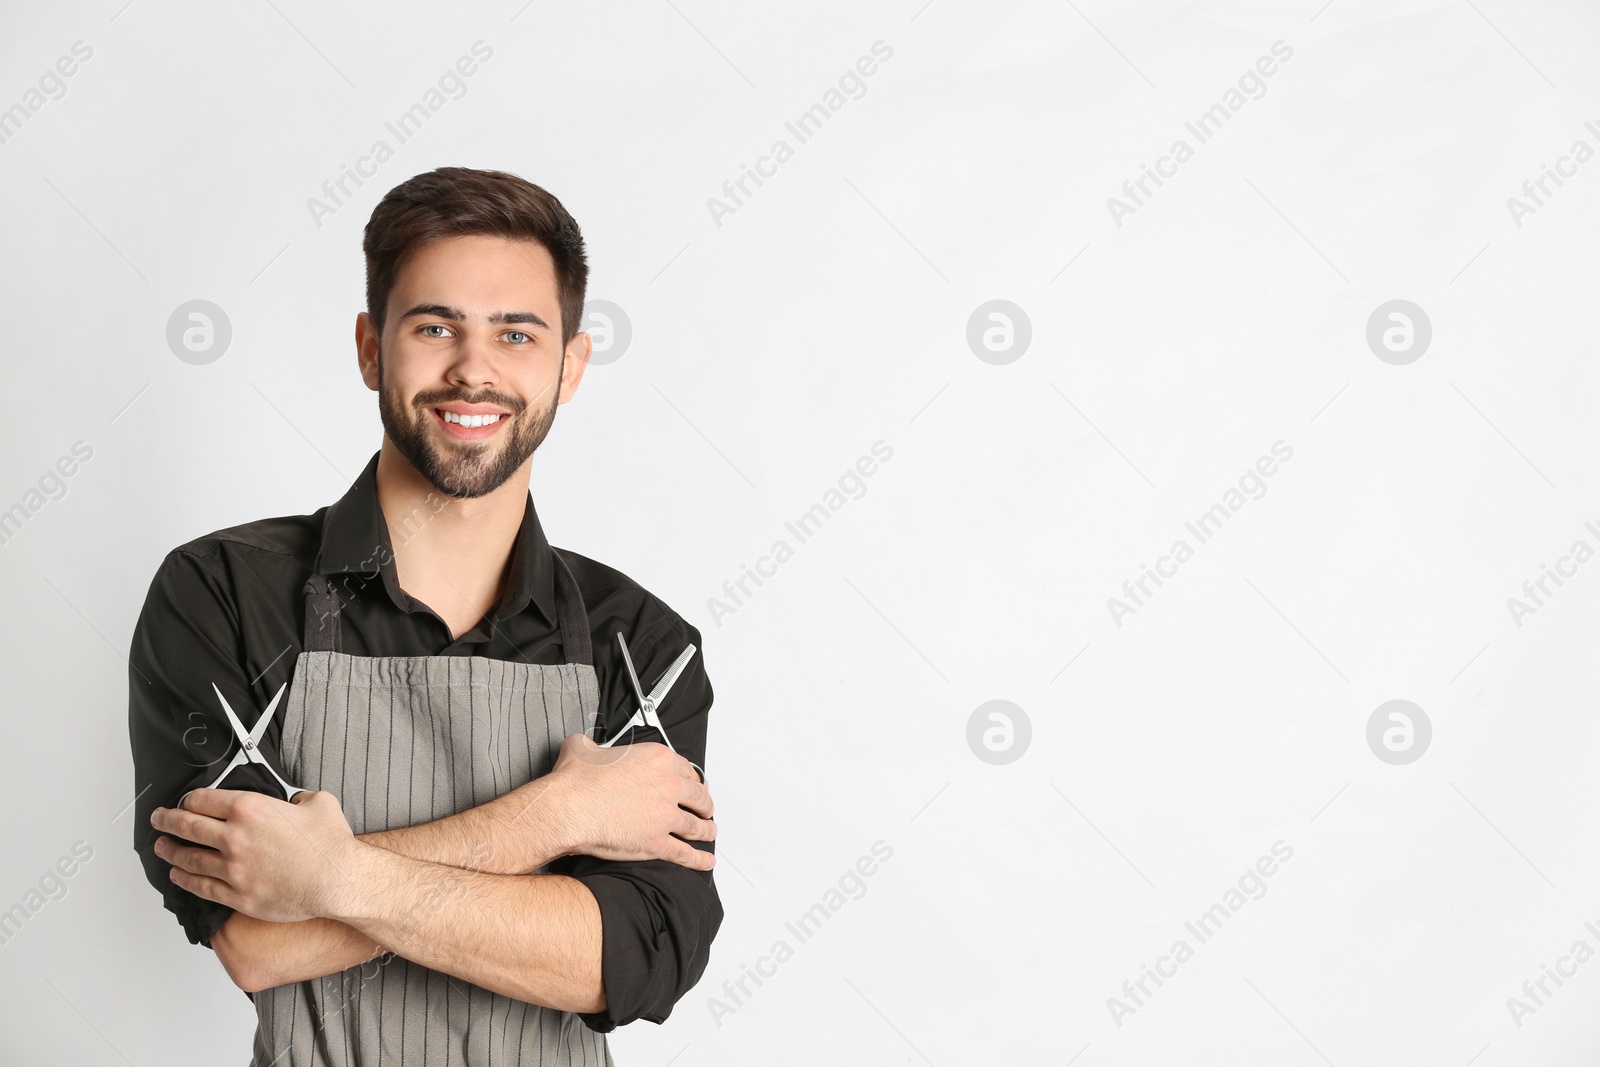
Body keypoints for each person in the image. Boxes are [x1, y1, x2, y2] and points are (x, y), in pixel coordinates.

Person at [126, 166, 721, 1066]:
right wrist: (555, 819)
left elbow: (620, 961)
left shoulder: (643, 646)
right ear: (371, 348)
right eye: (434, 325)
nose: (473, 369)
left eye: (515, 333)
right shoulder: (222, 592)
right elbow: (255, 940)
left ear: (570, 364)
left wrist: (331, 876)